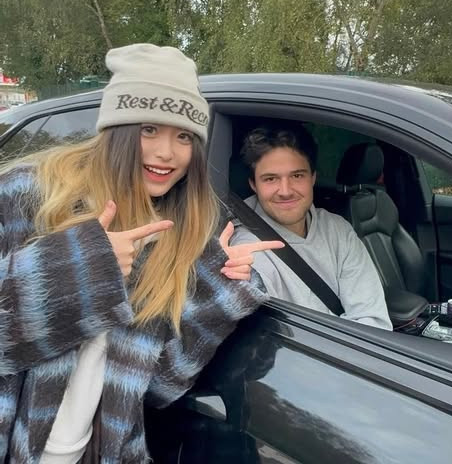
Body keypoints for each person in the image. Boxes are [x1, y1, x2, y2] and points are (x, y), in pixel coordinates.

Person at [0, 43, 283, 463]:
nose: (166, 153)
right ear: (117, 130)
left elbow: (160, 387)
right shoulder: (27, 196)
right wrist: (80, 268)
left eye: (184, 136)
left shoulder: (174, 236)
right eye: (149, 129)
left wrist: (220, 296)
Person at [230, 123, 392, 330]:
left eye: (297, 176)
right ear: (253, 184)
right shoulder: (245, 252)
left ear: (313, 177)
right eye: (270, 179)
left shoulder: (338, 229)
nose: (285, 191)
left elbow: (373, 322)